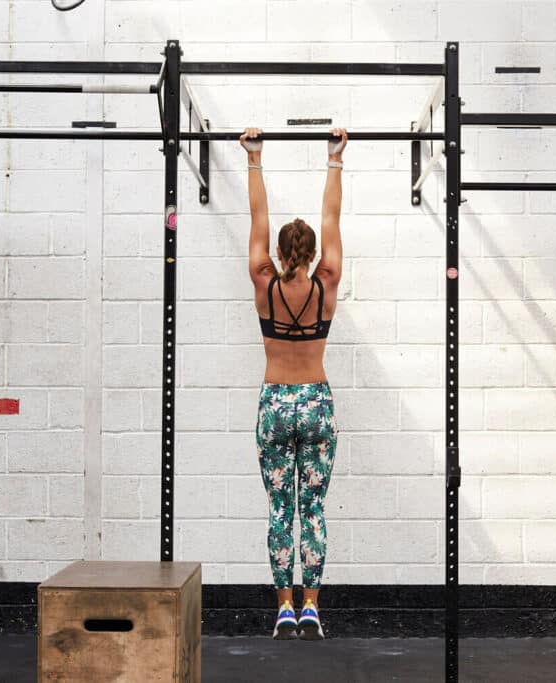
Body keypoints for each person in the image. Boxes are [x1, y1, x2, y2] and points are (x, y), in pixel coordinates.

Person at [241, 126, 346, 640]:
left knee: (282, 507)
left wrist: (255, 158)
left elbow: (258, 218)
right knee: (315, 507)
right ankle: (312, 606)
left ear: (282, 253)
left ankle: (283, 604)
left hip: (276, 401)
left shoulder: (265, 282)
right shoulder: (327, 283)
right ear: (308, 254)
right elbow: (332, 218)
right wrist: (334, 158)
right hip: (316, 401)